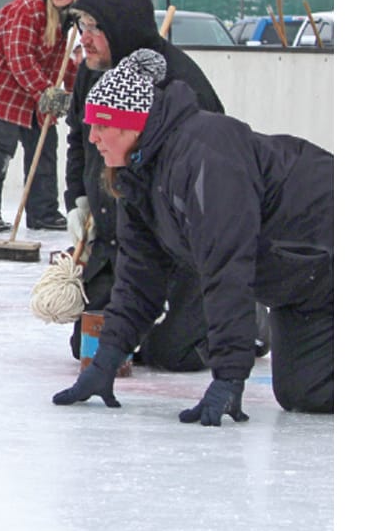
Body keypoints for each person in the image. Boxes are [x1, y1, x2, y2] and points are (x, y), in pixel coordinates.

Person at [53, 47, 333, 420]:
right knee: (306, 392)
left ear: (132, 124)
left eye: (101, 126)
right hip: (303, 288)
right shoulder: (139, 177)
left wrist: (229, 379)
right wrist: (105, 363)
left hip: (327, 247)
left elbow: (226, 269)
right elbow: (139, 280)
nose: (93, 138)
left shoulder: (205, 155)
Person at [63, 0, 225, 371]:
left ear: (120, 28)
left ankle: (244, 316)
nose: (83, 38)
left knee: (176, 354)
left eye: (92, 28)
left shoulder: (179, 81)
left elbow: (214, 172)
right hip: (116, 237)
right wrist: (79, 201)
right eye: (80, 26)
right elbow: (77, 142)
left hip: (176, 245)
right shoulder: (91, 70)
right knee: (90, 342)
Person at [0, 0, 92, 232]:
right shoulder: (29, 7)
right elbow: (19, 57)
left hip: (32, 91)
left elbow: (65, 62)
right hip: (0, 88)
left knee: (44, 147)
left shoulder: (67, 21)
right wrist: (44, 91)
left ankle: (43, 212)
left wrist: (74, 94)